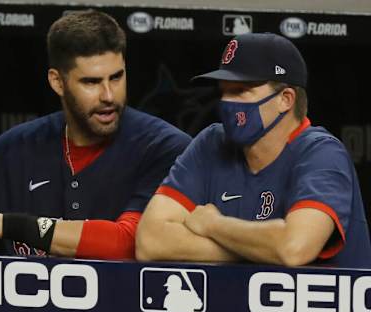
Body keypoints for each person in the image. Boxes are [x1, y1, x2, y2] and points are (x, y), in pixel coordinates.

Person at [0, 10, 191, 299]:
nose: (108, 95)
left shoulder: (165, 149)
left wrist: (6, 225)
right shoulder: (15, 149)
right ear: (57, 81)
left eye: (116, 77)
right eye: (91, 82)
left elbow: (130, 243)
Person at [136, 32, 371, 268]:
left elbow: (294, 248)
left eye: (240, 91)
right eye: (224, 91)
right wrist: (259, 250)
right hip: (237, 303)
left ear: (285, 99)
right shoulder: (211, 143)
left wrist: (213, 225)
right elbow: (149, 241)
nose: (227, 102)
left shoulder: (322, 153)